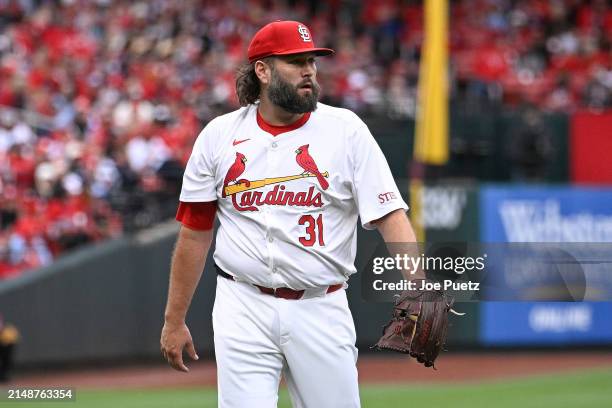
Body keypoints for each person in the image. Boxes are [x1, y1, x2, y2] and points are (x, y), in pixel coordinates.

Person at [160, 20, 417, 408]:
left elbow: (390, 215)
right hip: (242, 301)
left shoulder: (345, 130)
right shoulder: (218, 136)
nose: (308, 70)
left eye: (311, 61)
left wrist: (419, 288)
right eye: (295, 62)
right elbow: (195, 232)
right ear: (262, 71)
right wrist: (173, 319)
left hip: (320, 303)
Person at [0, 314, 19, 382]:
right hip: (4, 342)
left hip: (6, 342)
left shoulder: (8, 330)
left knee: (6, 361)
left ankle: (4, 376)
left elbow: (1, 328)